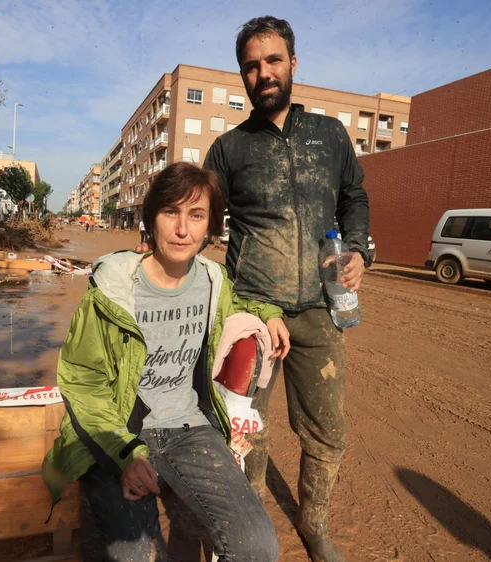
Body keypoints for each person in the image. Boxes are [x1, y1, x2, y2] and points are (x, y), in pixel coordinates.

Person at [43, 162, 289, 562]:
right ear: (151, 219)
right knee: (137, 554)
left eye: (196, 216)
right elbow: (83, 381)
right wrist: (125, 455)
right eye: (170, 212)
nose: (182, 229)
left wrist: (270, 312)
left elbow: (239, 302)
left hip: (190, 429)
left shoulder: (214, 281)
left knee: (258, 546)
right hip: (121, 429)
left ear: (210, 227)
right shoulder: (112, 291)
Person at [202, 16, 371, 562]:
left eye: (273, 61)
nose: (263, 73)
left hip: (323, 311)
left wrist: (360, 252)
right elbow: (198, 218)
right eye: (252, 66)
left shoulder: (330, 136)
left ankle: (314, 523)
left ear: (293, 64)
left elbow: (355, 197)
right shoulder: (229, 150)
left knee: (326, 429)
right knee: (245, 429)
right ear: (243, 76)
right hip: (253, 312)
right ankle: (251, 531)